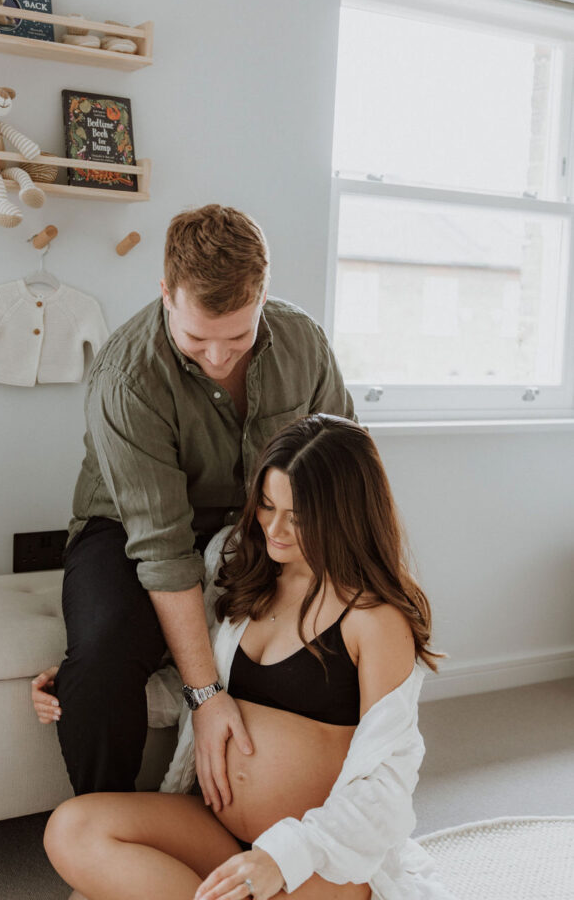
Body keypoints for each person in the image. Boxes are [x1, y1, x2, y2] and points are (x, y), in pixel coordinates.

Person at [41, 415, 454, 900]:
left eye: (297, 516)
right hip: (218, 832)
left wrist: (280, 857)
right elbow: (199, 690)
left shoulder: (374, 618)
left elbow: (388, 780)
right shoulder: (241, 567)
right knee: (72, 828)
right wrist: (83, 685)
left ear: (345, 513)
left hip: (318, 860)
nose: (274, 529)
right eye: (266, 505)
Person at [32, 204, 356, 813]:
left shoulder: (303, 341)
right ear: (166, 295)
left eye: (237, 335)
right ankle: (109, 829)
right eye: (196, 337)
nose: (217, 356)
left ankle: (303, 810)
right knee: (99, 664)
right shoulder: (125, 377)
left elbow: (341, 466)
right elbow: (160, 544)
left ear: (263, 297)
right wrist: (205, 695)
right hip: (127, 525)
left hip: (259, 521)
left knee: (331, 626)